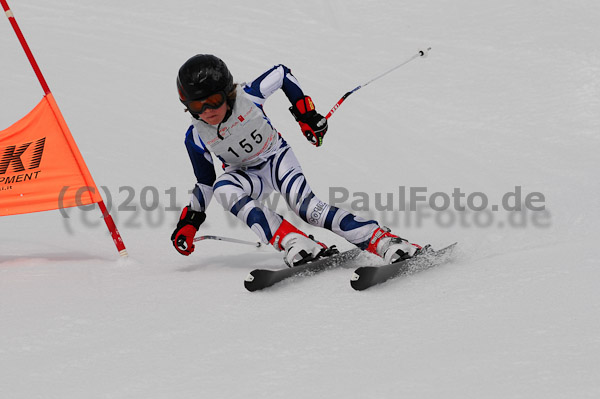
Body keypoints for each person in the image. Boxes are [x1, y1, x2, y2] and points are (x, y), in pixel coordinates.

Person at [171, 54, 421, 266]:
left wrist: (306, 115)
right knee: (223, 188)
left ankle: (383, 240)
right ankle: (294, 241)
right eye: (197, 105)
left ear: (227, 93)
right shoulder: (196, 136)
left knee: (309, 210)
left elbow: (281, 74)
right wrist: (191, 220)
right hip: (246, 175)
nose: (207, 111)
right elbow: (205, 182)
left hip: (276, 159)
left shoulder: (249, 97)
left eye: (214, 101)